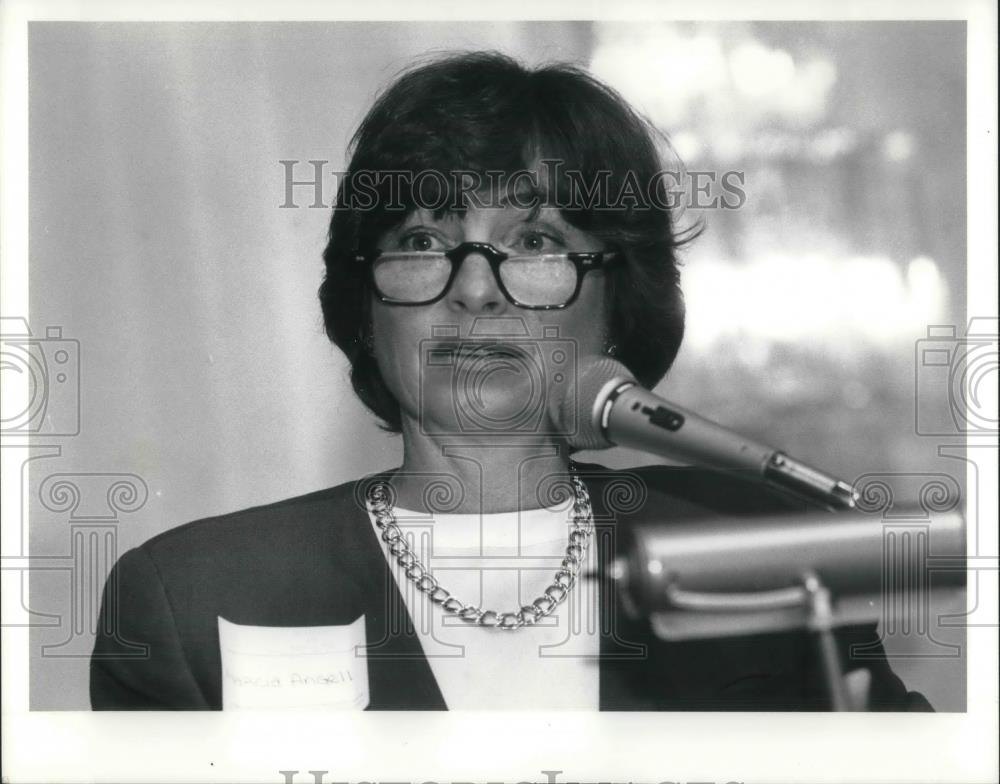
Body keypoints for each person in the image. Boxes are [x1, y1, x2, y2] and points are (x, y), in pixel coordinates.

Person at [91, 51, 930, 711]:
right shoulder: (194, 595)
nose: (474, 288)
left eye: (534, 243)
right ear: (365, 308)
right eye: (422, 241)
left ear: (616, 301)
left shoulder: (750, 551)